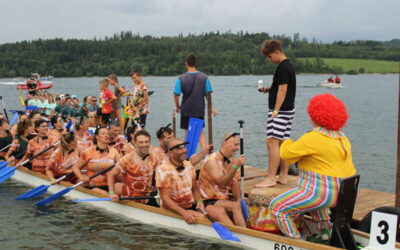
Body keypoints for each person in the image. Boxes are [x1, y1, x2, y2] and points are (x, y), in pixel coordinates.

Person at [269, 93, 356, 241]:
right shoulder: (342, 136)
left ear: (316, 116)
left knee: (277, 207)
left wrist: (287, 140)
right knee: (318, 203)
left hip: (322, 193)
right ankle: (325, 235)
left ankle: (297, 241)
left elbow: (287, 155)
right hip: (345, 193)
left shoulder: (312, 137)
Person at [255, 39, 296, 188]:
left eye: (270, 56)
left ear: (277, 52)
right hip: (289, 109)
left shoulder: (282, 68)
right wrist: (269, 89)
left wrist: (276, 111)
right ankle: (283, 176)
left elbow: (283, 89)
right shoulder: (288, 66)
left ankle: (271, 178)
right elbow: (280, 86)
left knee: (272, 141)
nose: (269, 59)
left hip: (281, 110)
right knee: (283, 142)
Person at [197, 132, 247, 227]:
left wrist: (239, 200)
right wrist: (236, 166)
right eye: (235, 145)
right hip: (207, 200)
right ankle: (244, 234)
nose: (238, 148)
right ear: (225, 143)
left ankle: (244, 231)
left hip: (222, 199)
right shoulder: (212, 161)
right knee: (235, 206)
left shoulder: (231, 160)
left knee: (238, 204)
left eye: (238, 145)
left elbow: (234, 182)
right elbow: (221, 184)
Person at [156, 138, 208, 224]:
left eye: (184, 147)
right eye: (179, 148)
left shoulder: (189, 165)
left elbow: (194, 190)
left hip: (190, 206)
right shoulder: (164, 170)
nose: (184, 150)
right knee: (205, 219)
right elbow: (166, 199)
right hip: (172, 210)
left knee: (212, 214)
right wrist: (184, 213)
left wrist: (199, 202)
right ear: (169, 153)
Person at [173, 54, 216, 151]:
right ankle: (205, 152)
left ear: (186, 63)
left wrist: (178, 106)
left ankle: (186, 155)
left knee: (187, 132)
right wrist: (211, 108)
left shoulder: (181, 78)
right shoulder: (204, 77)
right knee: (200, 131)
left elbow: (176, 95)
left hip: (186, 109)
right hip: (199, 109)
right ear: (195, 63)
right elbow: (208, 95)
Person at [107, 130, 159, 206]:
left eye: (146, 142)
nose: (144, 145)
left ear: (150, 142)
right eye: (141, 142)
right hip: (131, 199)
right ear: (135, 143)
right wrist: (112, 193)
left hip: (148, 197)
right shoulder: (127, 159)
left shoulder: (153, 157)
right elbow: (111, 174)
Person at [71, 127, 120, 195]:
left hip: (109, 185)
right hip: (92, 185)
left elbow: (121, 166)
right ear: (97, 136)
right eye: (103, 133)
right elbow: (75, 167)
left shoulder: (114, 151)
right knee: (104, 193)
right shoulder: (88, 152)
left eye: (107, 134)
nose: (106, 135)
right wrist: (81, 177)